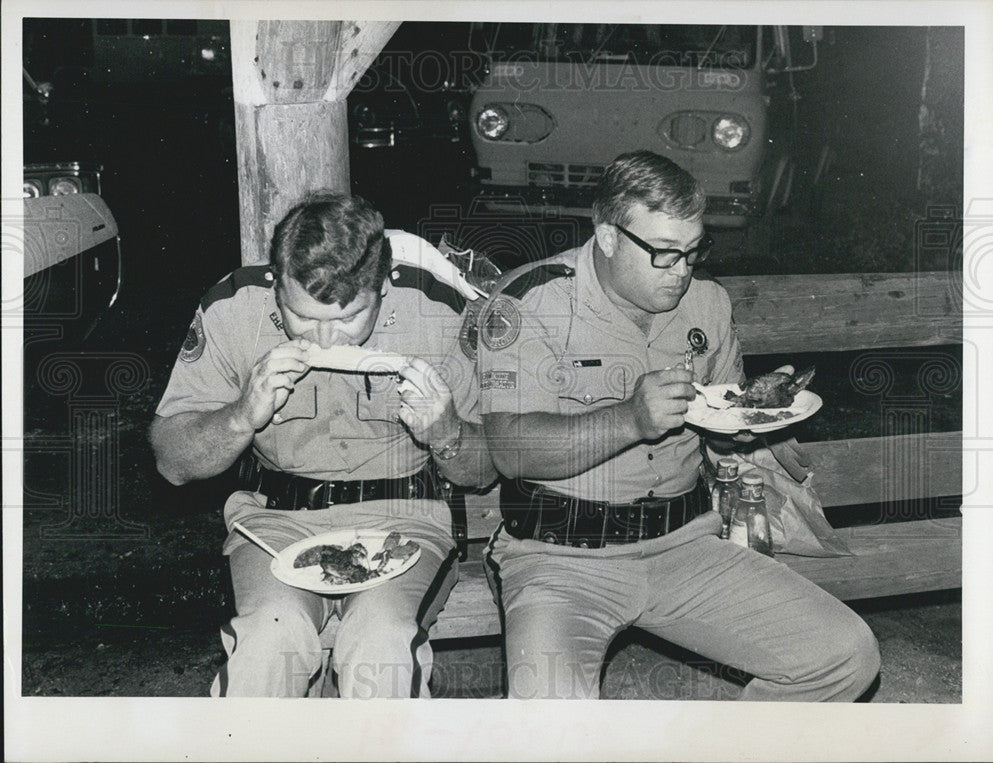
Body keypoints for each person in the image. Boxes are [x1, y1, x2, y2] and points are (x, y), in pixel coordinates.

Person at [478, 150, 880, 700]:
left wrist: (748, 419)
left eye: (694, 252)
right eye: (665, 254)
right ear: (609, 236)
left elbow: (722, 417)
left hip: (684, 545)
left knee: (845, 655)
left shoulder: (708, 304)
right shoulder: (532, 304)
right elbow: (509, 452)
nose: (683, 271)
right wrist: (628, 419)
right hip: (560, 560)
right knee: (551, 723)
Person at [149, 191, 496, 698]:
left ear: (383, 284)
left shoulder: (437, 312)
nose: (328, 340)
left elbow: (486, 469)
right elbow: (170, 462)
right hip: (275, 522)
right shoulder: (233, 307)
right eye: (304, 318)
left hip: (406, 520)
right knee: (270, 642)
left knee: (380, 645)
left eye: (349, 318)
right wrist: (241, 415)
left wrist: (446, 433)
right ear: (276, 282)